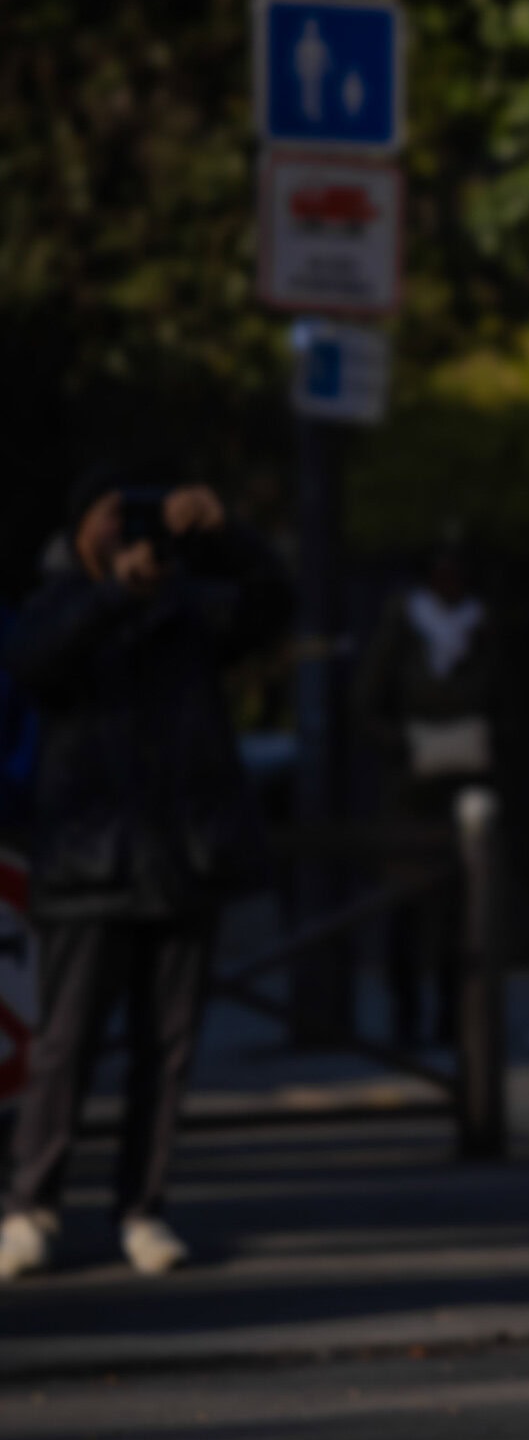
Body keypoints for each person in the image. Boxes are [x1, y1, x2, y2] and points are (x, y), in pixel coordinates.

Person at [0, 467, 291, 1279]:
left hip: (181, 856)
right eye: (109, 518)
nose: (128, 535)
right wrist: (112, 595)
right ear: (78, 529)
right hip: (89, 862)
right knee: (65, 1042)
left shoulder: (188, 607)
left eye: (139, 520)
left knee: (167, 1048)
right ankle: (32, 1203)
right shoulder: (60, 601)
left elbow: (272, 605)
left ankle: (143, 1207)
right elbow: (32, 662)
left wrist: (223, 533)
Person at [356, 533, 506, 1046]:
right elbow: (366, 705)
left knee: (461, 910)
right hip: (410, 789)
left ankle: (452, 1015)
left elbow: (507, 703)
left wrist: (483, 739)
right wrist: (407, 742)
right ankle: (406, 1015)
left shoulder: (482, 626)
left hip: (466, 790)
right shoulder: (402, 625)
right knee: (405, 906)